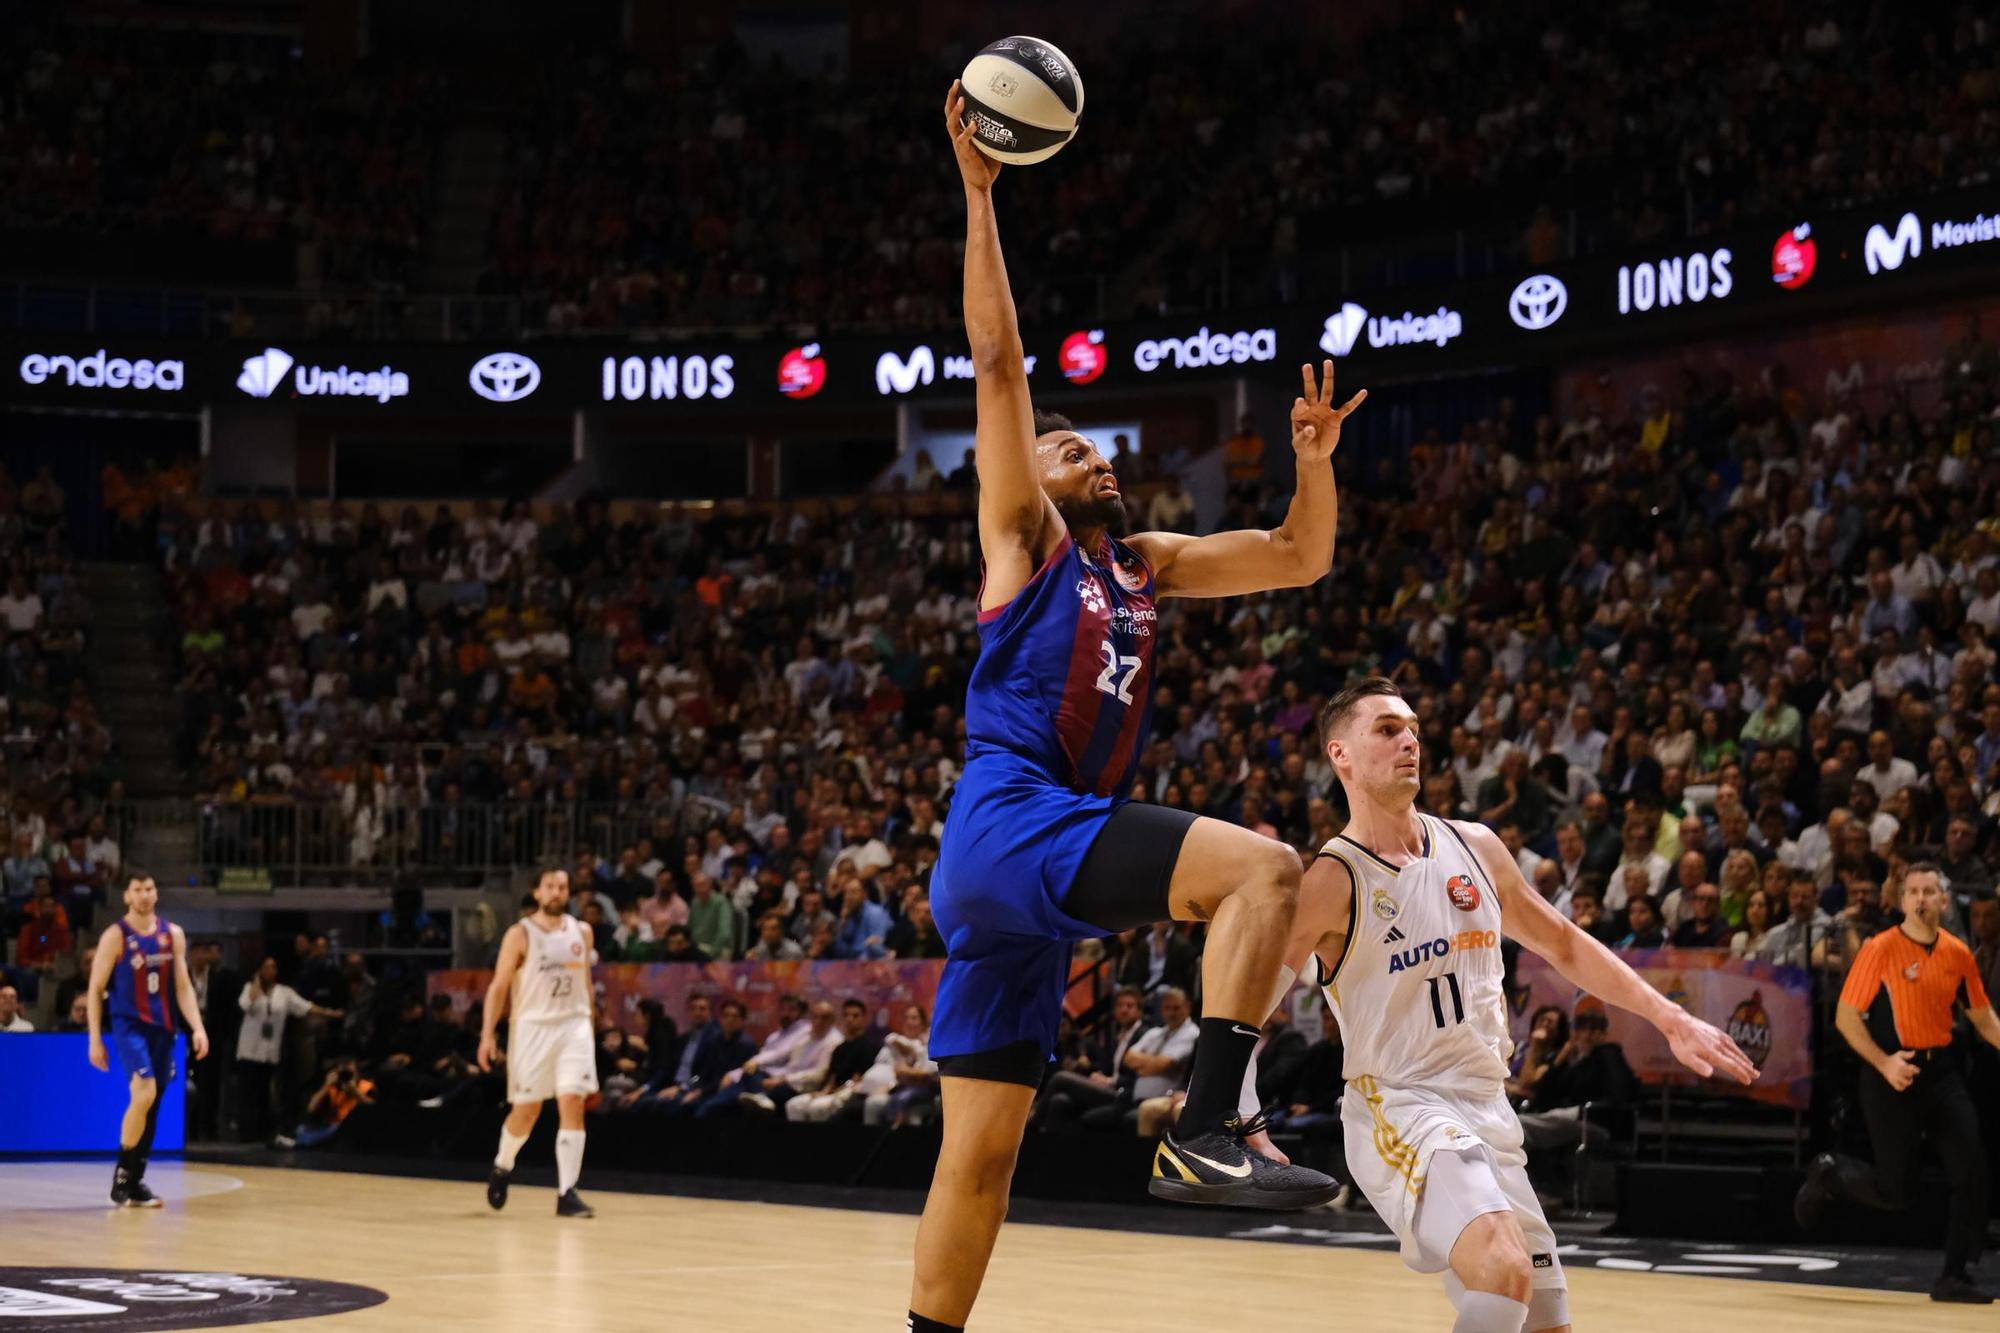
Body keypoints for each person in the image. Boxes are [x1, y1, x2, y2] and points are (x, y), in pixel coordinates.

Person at [913, 84, 1363, 1333]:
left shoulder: (1145, 559)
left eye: (1095, 447)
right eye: (1068, 453)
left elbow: (1293, 556)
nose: (1091, 456)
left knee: (982, 1156)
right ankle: (1208, 1124)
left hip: (1016, 872)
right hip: (1016, 820)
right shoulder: (1025, 538)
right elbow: (998, 362)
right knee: (1263, 869)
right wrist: (979, 192)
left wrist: (1313, 464)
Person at [1250, 679, 1753, 1333]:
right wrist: (1233, 1100)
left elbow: (1564, 941)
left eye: (1413, 729)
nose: (1409, 740)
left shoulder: (1475, 846)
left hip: (1489, 1107)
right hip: (1401, 1104)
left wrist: (1671, 1015)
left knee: (1544, 1320)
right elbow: (1251, 1002)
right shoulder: (1332, 877)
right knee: (1503, 1265)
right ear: (1340, 753)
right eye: (1386, 729)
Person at [1794, 864, 2000, 1304]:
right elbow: (1846, 1018)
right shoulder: (1880, 948)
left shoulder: (1958, 953)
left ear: (1945, 901)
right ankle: (1830, 1173)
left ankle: (1954, 1277)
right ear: (1902, 900)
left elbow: (1983, 1019)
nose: (1922, 899)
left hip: (1941, 1073)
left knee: (1972, 1170)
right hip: (1890, 1075)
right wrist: (1885, 1063)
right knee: (1896, 1191)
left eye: (1930, 891)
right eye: (1913, 892)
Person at [83, 873, 211, 1207]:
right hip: (130, 1027)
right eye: (137, 889)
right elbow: (95, 989)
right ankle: (122, 1176)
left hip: (164, 1029)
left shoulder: (173, 935)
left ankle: (135, 1181)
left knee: (152, 1106)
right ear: (126, 896)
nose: (143, 895)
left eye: (149, 889)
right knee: (144, 1092)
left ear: (156, 894)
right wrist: (95, 1038)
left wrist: (197, 1027)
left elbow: (182, 987)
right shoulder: (116, 935)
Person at [478, 866, 598, 1218]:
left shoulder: (583, 931)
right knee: (527, 1112)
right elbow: (499, 987)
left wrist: (591, 1021)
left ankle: (567, 1193)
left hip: (573, 1024)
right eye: (551, 886)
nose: (558, 892)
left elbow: (586, 981)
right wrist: (487, 1035)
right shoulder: (520, 934)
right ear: (537, 892)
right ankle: (503, 1164)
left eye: (563, 886)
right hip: (532, 1028)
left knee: (573, 1100)